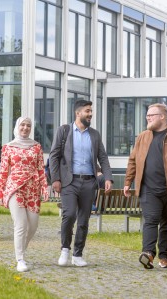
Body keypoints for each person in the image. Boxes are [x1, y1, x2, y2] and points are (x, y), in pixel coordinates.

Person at [124, 103, 167, 269]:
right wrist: (128, 181)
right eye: (147, 115)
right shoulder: (142, 137)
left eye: (151, 115)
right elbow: (133, 160)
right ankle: (148, 253)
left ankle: (164, 257)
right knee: (151, 220)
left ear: (162, 116)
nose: (148, 117)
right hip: (148, 189)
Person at [49, 100, 113, 267]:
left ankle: (78, 254)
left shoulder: (95, 134)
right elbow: (54, 156)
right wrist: (55, 179)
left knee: (84, 220)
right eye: (87, 111)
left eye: (91, 111)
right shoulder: (64, 131)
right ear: (78, 113)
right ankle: (65, 249)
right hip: (69, 182)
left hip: (89, 182)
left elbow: (103, 157)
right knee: (69, 214)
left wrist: (107, 177)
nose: (90, 114)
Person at [0, 117, 49, 272]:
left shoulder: (36, 147)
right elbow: (3, 171)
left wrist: (44, 188)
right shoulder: (8, 147)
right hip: (15, 187)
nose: (25, 128)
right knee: (21, 224)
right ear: (17, 126)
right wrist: (0, 192)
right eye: (22, 125)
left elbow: (41, 169)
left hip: (32, 188)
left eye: (28, 125)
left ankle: (20, 251)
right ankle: (20, 259)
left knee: (33, 225)